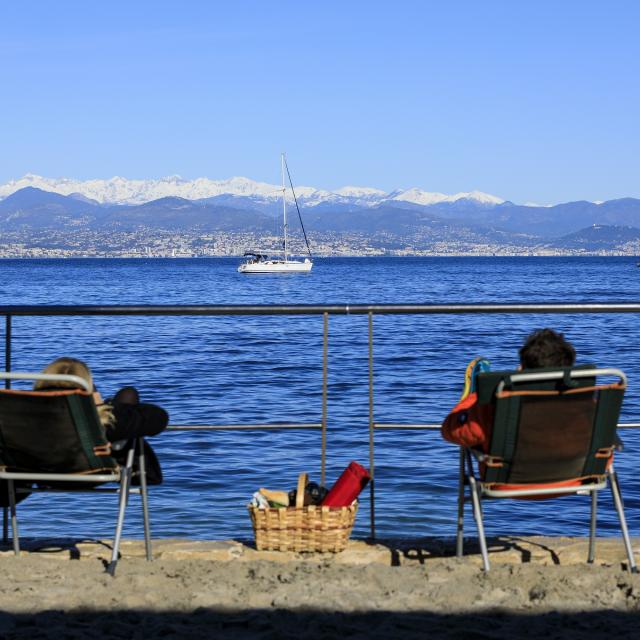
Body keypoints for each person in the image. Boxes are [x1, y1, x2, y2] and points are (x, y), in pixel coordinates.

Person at [34, 357, 168, 482]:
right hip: (91, 473)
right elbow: (160, 417)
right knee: (128, 395)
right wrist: (102, 408)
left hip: (40, 474)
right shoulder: (96, 424)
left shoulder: (26, 418)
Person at [441, 328, 576, 452]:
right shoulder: (585, 407)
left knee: (478, 430)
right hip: (573, 477)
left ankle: (473, 400)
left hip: (511, 477)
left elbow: (450, 431)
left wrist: (476, 398)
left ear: (522, 370)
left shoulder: (495, 409)